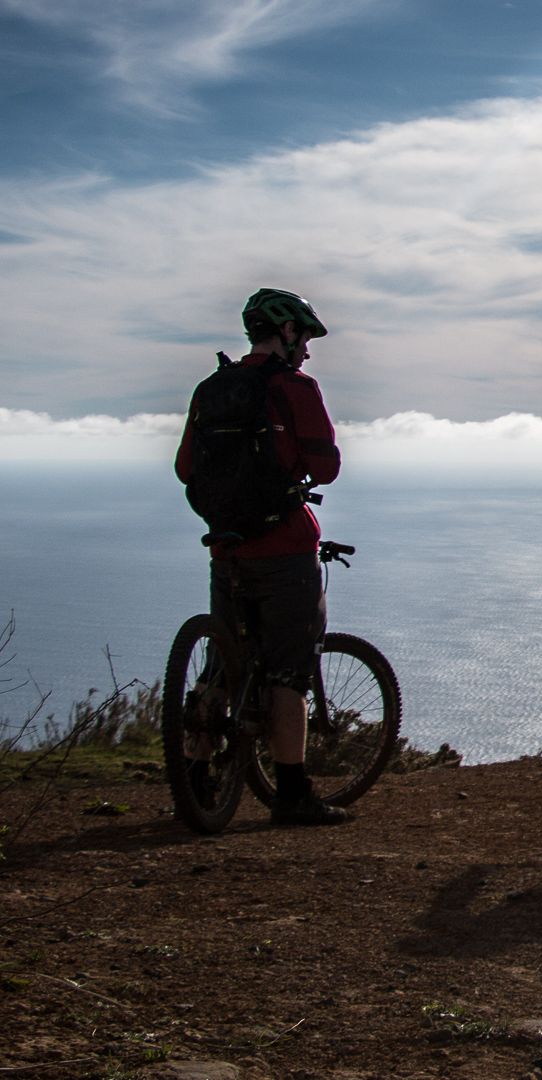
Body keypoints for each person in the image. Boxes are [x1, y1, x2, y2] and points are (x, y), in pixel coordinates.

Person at [174, 288, 347, 827]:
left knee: (222, 665)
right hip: (285, 549)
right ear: (288, 334)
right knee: (288, 672)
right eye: (305, 338)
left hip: (227, 548)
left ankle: (197, 781)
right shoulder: (295, 388)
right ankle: (291, 794)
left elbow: (186, 469)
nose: (308, 351)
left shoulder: (210, 389)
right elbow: (326, 468)